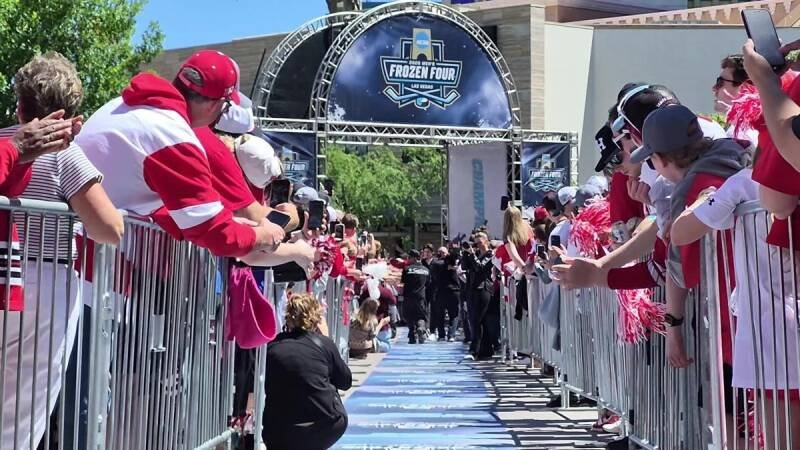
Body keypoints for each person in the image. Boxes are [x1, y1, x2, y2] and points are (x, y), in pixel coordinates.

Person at [0, 52, 123, 450]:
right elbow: (109, 229)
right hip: (46, 284)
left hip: (6, 272)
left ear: (19, 106)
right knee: (24, 405)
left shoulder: (4, 142)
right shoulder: (66, 155)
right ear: (71, 116)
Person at [75, 49, 284, 258]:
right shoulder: (173, 135)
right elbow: (217, 234)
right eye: (226, 105)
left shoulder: (125, 104)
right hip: (84, 258)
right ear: (214, 104)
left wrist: (228, 222)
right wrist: (265, 236)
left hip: (66, 245)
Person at [671, 154, 800, 449]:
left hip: (773, 329)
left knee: (783, 438)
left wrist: (703, 200)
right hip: (775, 325)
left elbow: (680, 233)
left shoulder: (745, 182)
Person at [263, 293, 351, 450]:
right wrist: (327, 339)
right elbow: (345, 382)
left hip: (279, 432)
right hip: (324, 426)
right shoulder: (323, 343)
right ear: (316, 318)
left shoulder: (272, 345)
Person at [461, 232, 497, 360]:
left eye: (480, 241)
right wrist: (466, 253)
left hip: (483, 289)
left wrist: (471, 255)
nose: (477, 244)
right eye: (475, 242)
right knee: (474, 319)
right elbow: (464, 266)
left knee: (478, 319)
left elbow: (480, 267)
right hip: (471, 289)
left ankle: (474, 350)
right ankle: (486, 349)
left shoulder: (490, 254)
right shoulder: (474, 254)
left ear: (486, 241)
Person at [430, 247, 460, 341]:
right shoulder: (451, 263)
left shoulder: (435, 264)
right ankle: (450, 335)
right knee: (453, 315)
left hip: (442, 291)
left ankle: (443, 335)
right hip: (451, 291)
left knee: (442, 315)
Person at [400, 249, 430, 344]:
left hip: (409, 296)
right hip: (420, 297)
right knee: (420, 316)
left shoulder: (407, 269)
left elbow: (403, 281)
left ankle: (412, 336)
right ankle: (421, 327)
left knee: (409, 316)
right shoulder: (426, 270)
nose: (408, 259)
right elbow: (428, 283)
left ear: (414, 258)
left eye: (409, 257)